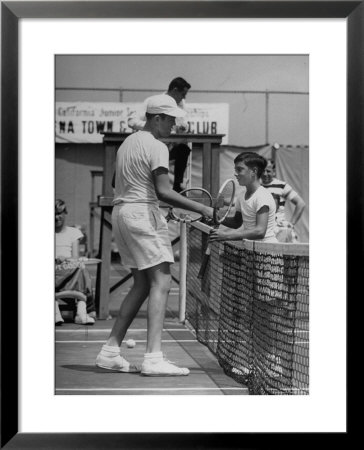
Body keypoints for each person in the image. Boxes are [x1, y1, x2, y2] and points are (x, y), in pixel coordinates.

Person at [95, 94, 213, 376]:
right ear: (157, 118)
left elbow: (122, 183)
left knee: (140, 284)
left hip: (122, 214)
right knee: (161, 282)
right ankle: (153, 358)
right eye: (171, 119)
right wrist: (203, 209)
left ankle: (109, 352)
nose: (174, 125)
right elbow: (162, 191)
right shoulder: (157, 146)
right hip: (140, 215)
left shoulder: (127, 143)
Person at [128, 77, 192, 192]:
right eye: (183, 94)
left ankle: (177, 185)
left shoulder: (181, 104)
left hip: (167, 148)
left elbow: (185, 124)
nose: (184, 98)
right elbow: (132, 121)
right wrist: (153, 128)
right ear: (175, 90)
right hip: (150, 147)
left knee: (183, 149)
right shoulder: (153, 102)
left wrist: (182, 127)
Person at [209, 152, 278, 243]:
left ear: (254, 171)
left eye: (239, 170)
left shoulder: (262, 196)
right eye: (235, 170)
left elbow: (260, 231)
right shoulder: (241, 196)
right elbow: (236, 222)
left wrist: (226, 235)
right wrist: (217, 219)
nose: (235, 174)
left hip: (267, 251)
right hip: (251, 250)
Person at [55, 199, 96, 325]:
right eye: (54, 213)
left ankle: (81, 312)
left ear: (65, 213)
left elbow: (75, 257)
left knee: (81, 267)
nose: (57, 217)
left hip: (69, 269)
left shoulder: (73, 233)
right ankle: (56, 312)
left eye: (60, 213)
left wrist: (67, 259)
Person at [261, 159, 306, 242]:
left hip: (279, 229)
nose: (265, 174)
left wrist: (291, 223)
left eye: (268, 171)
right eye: (262, 171)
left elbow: (300, 203)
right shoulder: (256, 187)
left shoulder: (282, 186)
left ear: (274, 172)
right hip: (261, 229)